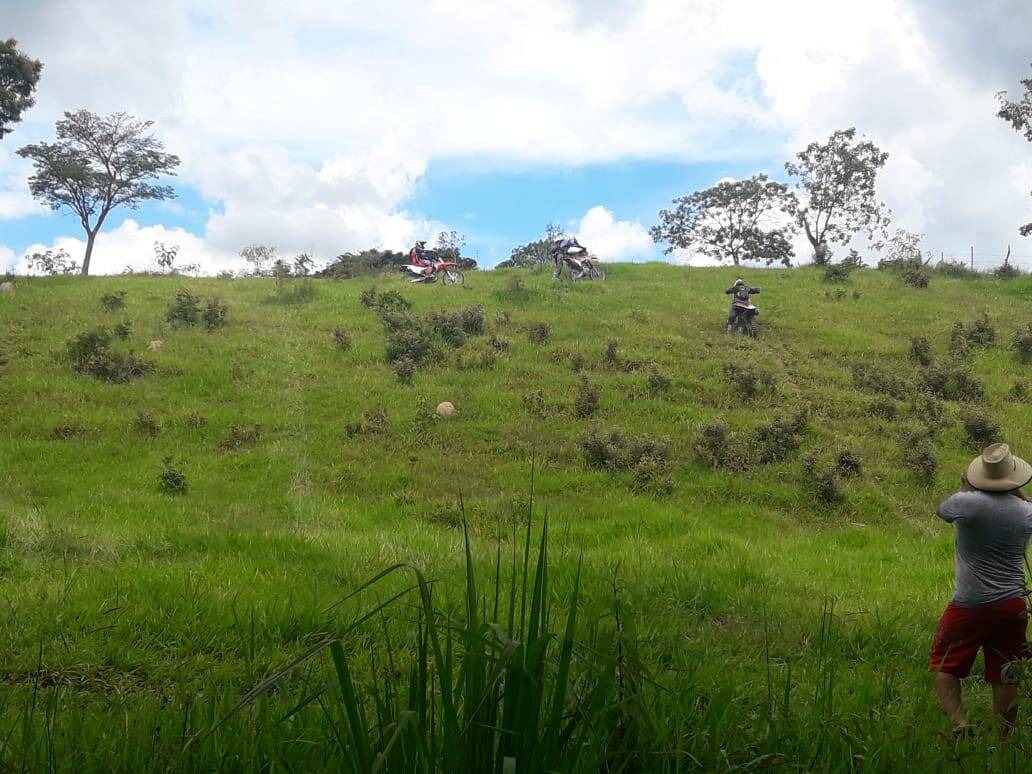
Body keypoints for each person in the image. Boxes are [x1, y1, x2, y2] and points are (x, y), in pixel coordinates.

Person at [929, 443, 1032, 740]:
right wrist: (1018, 495)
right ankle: (1004, 740)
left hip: (969, 604)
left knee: (945, 664)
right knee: (1007, 672)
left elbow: (942, 511)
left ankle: (961, 722)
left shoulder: (966, 504)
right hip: (1014, 604)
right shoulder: (1025, 511)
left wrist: (964, 488)